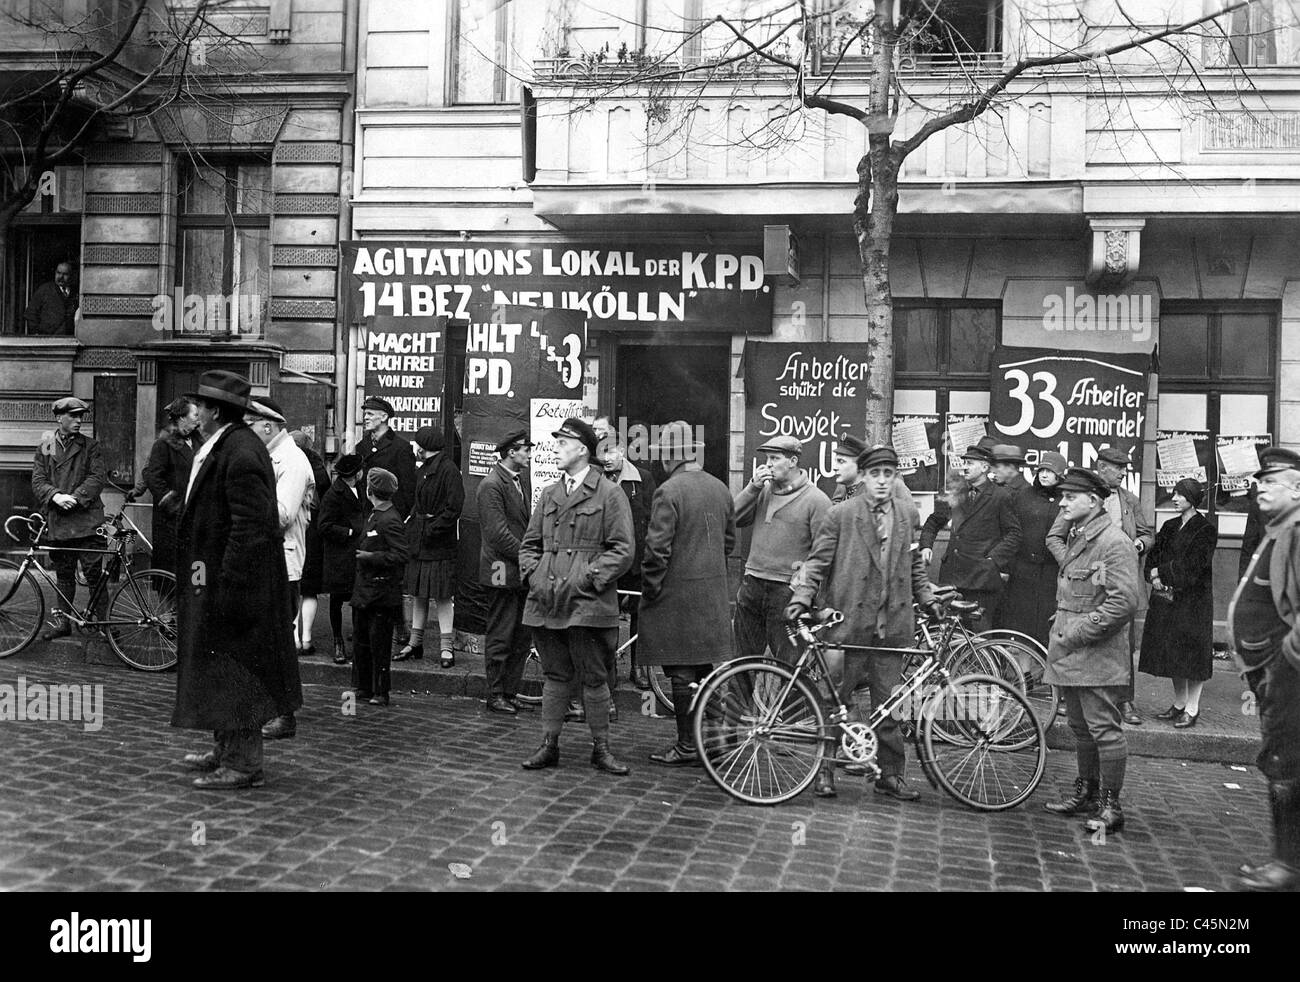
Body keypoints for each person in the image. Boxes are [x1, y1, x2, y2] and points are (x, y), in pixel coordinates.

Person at [787, 445, 939, 801]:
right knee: (832, 699)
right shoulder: (840, 514)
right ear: (865, 476)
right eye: (876, 475)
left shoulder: (906, 513)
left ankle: (890, 776)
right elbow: (817, 563)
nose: (883, 481)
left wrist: (928, 600)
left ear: (895, 477)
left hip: (891, 627)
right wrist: (800, 598)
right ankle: (824, 771)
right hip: (849, 626)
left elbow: (915, 566)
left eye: (889, 474)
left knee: (889, 706)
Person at [173, 370, 301, 790]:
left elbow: (251, 529)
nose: (194, 412)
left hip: (236, 587)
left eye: (199, 406)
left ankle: (244, 765)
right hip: (214, 580)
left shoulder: (240, 452)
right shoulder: (225, 444)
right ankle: (225, 749)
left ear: (212, 411)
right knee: (218, 667)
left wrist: (228, 587)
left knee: (238, 671)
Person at [519, 417, 634, 776]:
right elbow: (529, 545)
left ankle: (601, 748)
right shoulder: (550, 494)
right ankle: (548, 745)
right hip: (547, 598)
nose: (555, 449)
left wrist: (586, 578)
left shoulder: (609, 493)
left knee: (594, 676)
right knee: (554, 674)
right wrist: (535, 577)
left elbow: (622, 550)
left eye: (561, 443)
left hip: (587, 602)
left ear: (582, 450)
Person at [1042, 467, 1142, 834]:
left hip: (1095, 650)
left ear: (1094, 501)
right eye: (1063, 495)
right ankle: (1087, 792)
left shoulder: (1113, 543)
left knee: (1104, 729)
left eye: (1071, 496)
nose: (1063, 501)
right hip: (1072, 648)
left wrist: (1079, 631)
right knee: (1081, 727)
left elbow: (1123, 603)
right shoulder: (1081, 535)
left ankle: (1111, 806)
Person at [637, 421, 736, 766]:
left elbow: (656, 551)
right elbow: (729, 543)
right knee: (707, 670)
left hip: (676, 597)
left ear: (670, 456)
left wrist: (650, 590)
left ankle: (687, 745)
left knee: (680, 671)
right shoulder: (721, 488)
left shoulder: (669, 491)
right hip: (712, 594)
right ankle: (716, 742)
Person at [1228, 448, 1300, 891]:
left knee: (1285, 764)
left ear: (1297, 489)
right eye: (1260, 483)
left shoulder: (1296, 533)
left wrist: (1285, 662)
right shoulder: (1280, 530)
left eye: (1271, 483)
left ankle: (1287, 866)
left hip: (1288, 675)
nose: (1261, 489)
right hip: (1275, 672)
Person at [1050, 445, 1153, 725]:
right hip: (1085, 583)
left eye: (1124, 469)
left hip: (1119, 574)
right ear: (1103, 468)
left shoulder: (1129, 500)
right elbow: (1054, 538)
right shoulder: (1076, 502)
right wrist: (1073, 564)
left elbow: (1146, 533)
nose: (1122, 473)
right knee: (1079, 638)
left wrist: (1140, 544)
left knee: (1122, 642)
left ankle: (1124, 700)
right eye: (1118, 468)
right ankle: (1070, 698)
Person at [245, 397, 313, 741]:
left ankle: (284, 716)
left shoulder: (292, 460)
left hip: (283, 564)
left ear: (268, 425)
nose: (248, 432)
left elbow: (282, 514)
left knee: (277, 643)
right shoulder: (273, 456)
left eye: (252, 425)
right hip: (269, 561)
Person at [733, 435, 832, 666]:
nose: (767, 464)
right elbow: (733, 518)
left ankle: (792, 704)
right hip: (752, 583)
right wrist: (752, 487)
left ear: (793, 461)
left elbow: (823, 554)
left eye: (775, 458)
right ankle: (738, 704)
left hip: (786, 591)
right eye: (767, 458)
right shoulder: (762, 491)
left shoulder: (817, 500)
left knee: (790, 666)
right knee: (742, 661)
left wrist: (798, 587)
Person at [1139, 479, 1217, 728]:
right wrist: (1153, 573)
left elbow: (1193, 567)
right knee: (1173, 654)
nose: (1174, 498)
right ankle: (1180, 703)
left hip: (1193, 602)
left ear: (1192, 499)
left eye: (1179, 494)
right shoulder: (1169, 525)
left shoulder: (1205, 529)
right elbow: (1154, 556)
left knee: (1193, 656)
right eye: (1173, 493)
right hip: (1168, 600)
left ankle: (1192, 709)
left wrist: (1159, 572)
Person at [919, 444, 1022, 631]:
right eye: (964, 462)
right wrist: (926, 545)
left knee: (979, 637)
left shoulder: (1000, 496)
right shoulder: (958, 492)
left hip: (981, 580)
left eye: (970, 463)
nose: (965, 466)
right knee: (948, 634)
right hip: (952, 575)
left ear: (984, 467)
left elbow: (1014, 534)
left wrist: (992, 560)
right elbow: (933, 521)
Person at [31, 396, 107, 640]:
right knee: (63, 574)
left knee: (95, 574)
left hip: (86, 520)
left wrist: (74, 497)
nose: (78, 421)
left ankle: (104, 624)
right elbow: (38, 479)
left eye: (80, 416)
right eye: (73, 416)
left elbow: (97, 478)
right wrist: (55, 496)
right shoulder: (47, 443)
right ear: (58, 418)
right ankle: (62, 623)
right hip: (60, 520)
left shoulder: (90, 445)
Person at [594, 414, 657, 694]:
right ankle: (609, 670)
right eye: (601, 454)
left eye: (610, 452)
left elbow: (654, 520)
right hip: (608, 561)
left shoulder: (642, 479)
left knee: (640, 619)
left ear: (622, 451)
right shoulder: (595, 479)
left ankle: (637, 668)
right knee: (606, 617)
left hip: (636, 562)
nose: (606, 459)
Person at [477, 429, 534, 715]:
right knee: (501, 633)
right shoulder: (491, 485)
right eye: (526, 449)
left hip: (518, 571)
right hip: (501, 571)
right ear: (511, 452)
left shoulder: (517, 480)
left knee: (521, 636)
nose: (529, 453)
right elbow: (498, 535)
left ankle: (509, 692)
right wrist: (529, 557)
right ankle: (496, 694)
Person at [397, 426, 463, 667]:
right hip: (420, 539)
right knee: (418, 593)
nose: (415, 448)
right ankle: (415, 643)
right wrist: (413, 525)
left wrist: (432, 529)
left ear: (425, 447)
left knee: (443, 595)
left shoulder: (449, 471)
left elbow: (454, 508)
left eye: (418, 444)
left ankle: (446, 648)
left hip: (439, 543)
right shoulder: (423, 470)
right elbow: (417, 503)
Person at [996, 450, 1067, 648]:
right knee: (1023, 628)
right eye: (1041, 470)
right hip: (1024, 572)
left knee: (1049, 625)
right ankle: (1025, 675)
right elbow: (1011, 531)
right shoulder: (1023, 496)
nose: (1044, 474)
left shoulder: (1066, 499)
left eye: (1050, 471)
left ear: (1060, 474)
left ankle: (1046, 673)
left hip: (1052, 573)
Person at [351, 467, 409, 707]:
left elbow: (401, 554)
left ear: (370, 491)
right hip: (366, 591)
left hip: (381, 593)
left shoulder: (389, 519)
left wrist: (371, 557)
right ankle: (364, 686)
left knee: (379, 643)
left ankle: (380, 690)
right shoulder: (376, 514)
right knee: (362, 641)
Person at [141, 397, 203, 577]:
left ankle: (195, 602)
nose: (198, 418)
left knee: (197, 571)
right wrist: (173, 505)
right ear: (182, 418)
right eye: (195, 414)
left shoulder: (200, 441)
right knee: (171, 573)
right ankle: (169, 605)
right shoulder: (164, 443)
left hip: (196, 518)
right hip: (172, 521)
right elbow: (152, 476)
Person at [318, 453, 365, 665]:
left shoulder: (362, 490)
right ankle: (338, 641)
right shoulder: (333, 494)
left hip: (355, 554)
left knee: (356, 599)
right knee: (337, 600)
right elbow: (324, 526)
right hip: (339, 556)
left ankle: (356, 641)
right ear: (356, 474)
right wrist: (348, 532)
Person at [291, 430, 330, 657]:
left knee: (294, 588)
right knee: (310, 591)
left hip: (295, 532)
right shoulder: (319, 470)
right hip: (314, 535)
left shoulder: (291, 466)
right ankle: (306, 639)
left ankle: (293, 638)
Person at [356, 396, 417, 519]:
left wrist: (398, 516)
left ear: (384, 417)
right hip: (366, 515)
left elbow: (408, 488)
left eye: (370, 414)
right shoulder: (362, 446)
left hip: (389, 516)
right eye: (365, 414)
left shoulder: (401, 448)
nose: (365, 418)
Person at [24, 261, 77, 336]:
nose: (61, 277)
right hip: (46, 338)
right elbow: (30, 314)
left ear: (71, 275)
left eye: (65, 274)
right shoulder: (44, 290)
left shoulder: (76, 293)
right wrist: (36, 334)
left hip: (68, 339)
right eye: (58, 273)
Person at [829, 434, 869, 503]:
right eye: (836, 461)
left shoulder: (867, 498)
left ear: (860, 465)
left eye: (841, 461)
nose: (834, 468)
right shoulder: (848, 492)